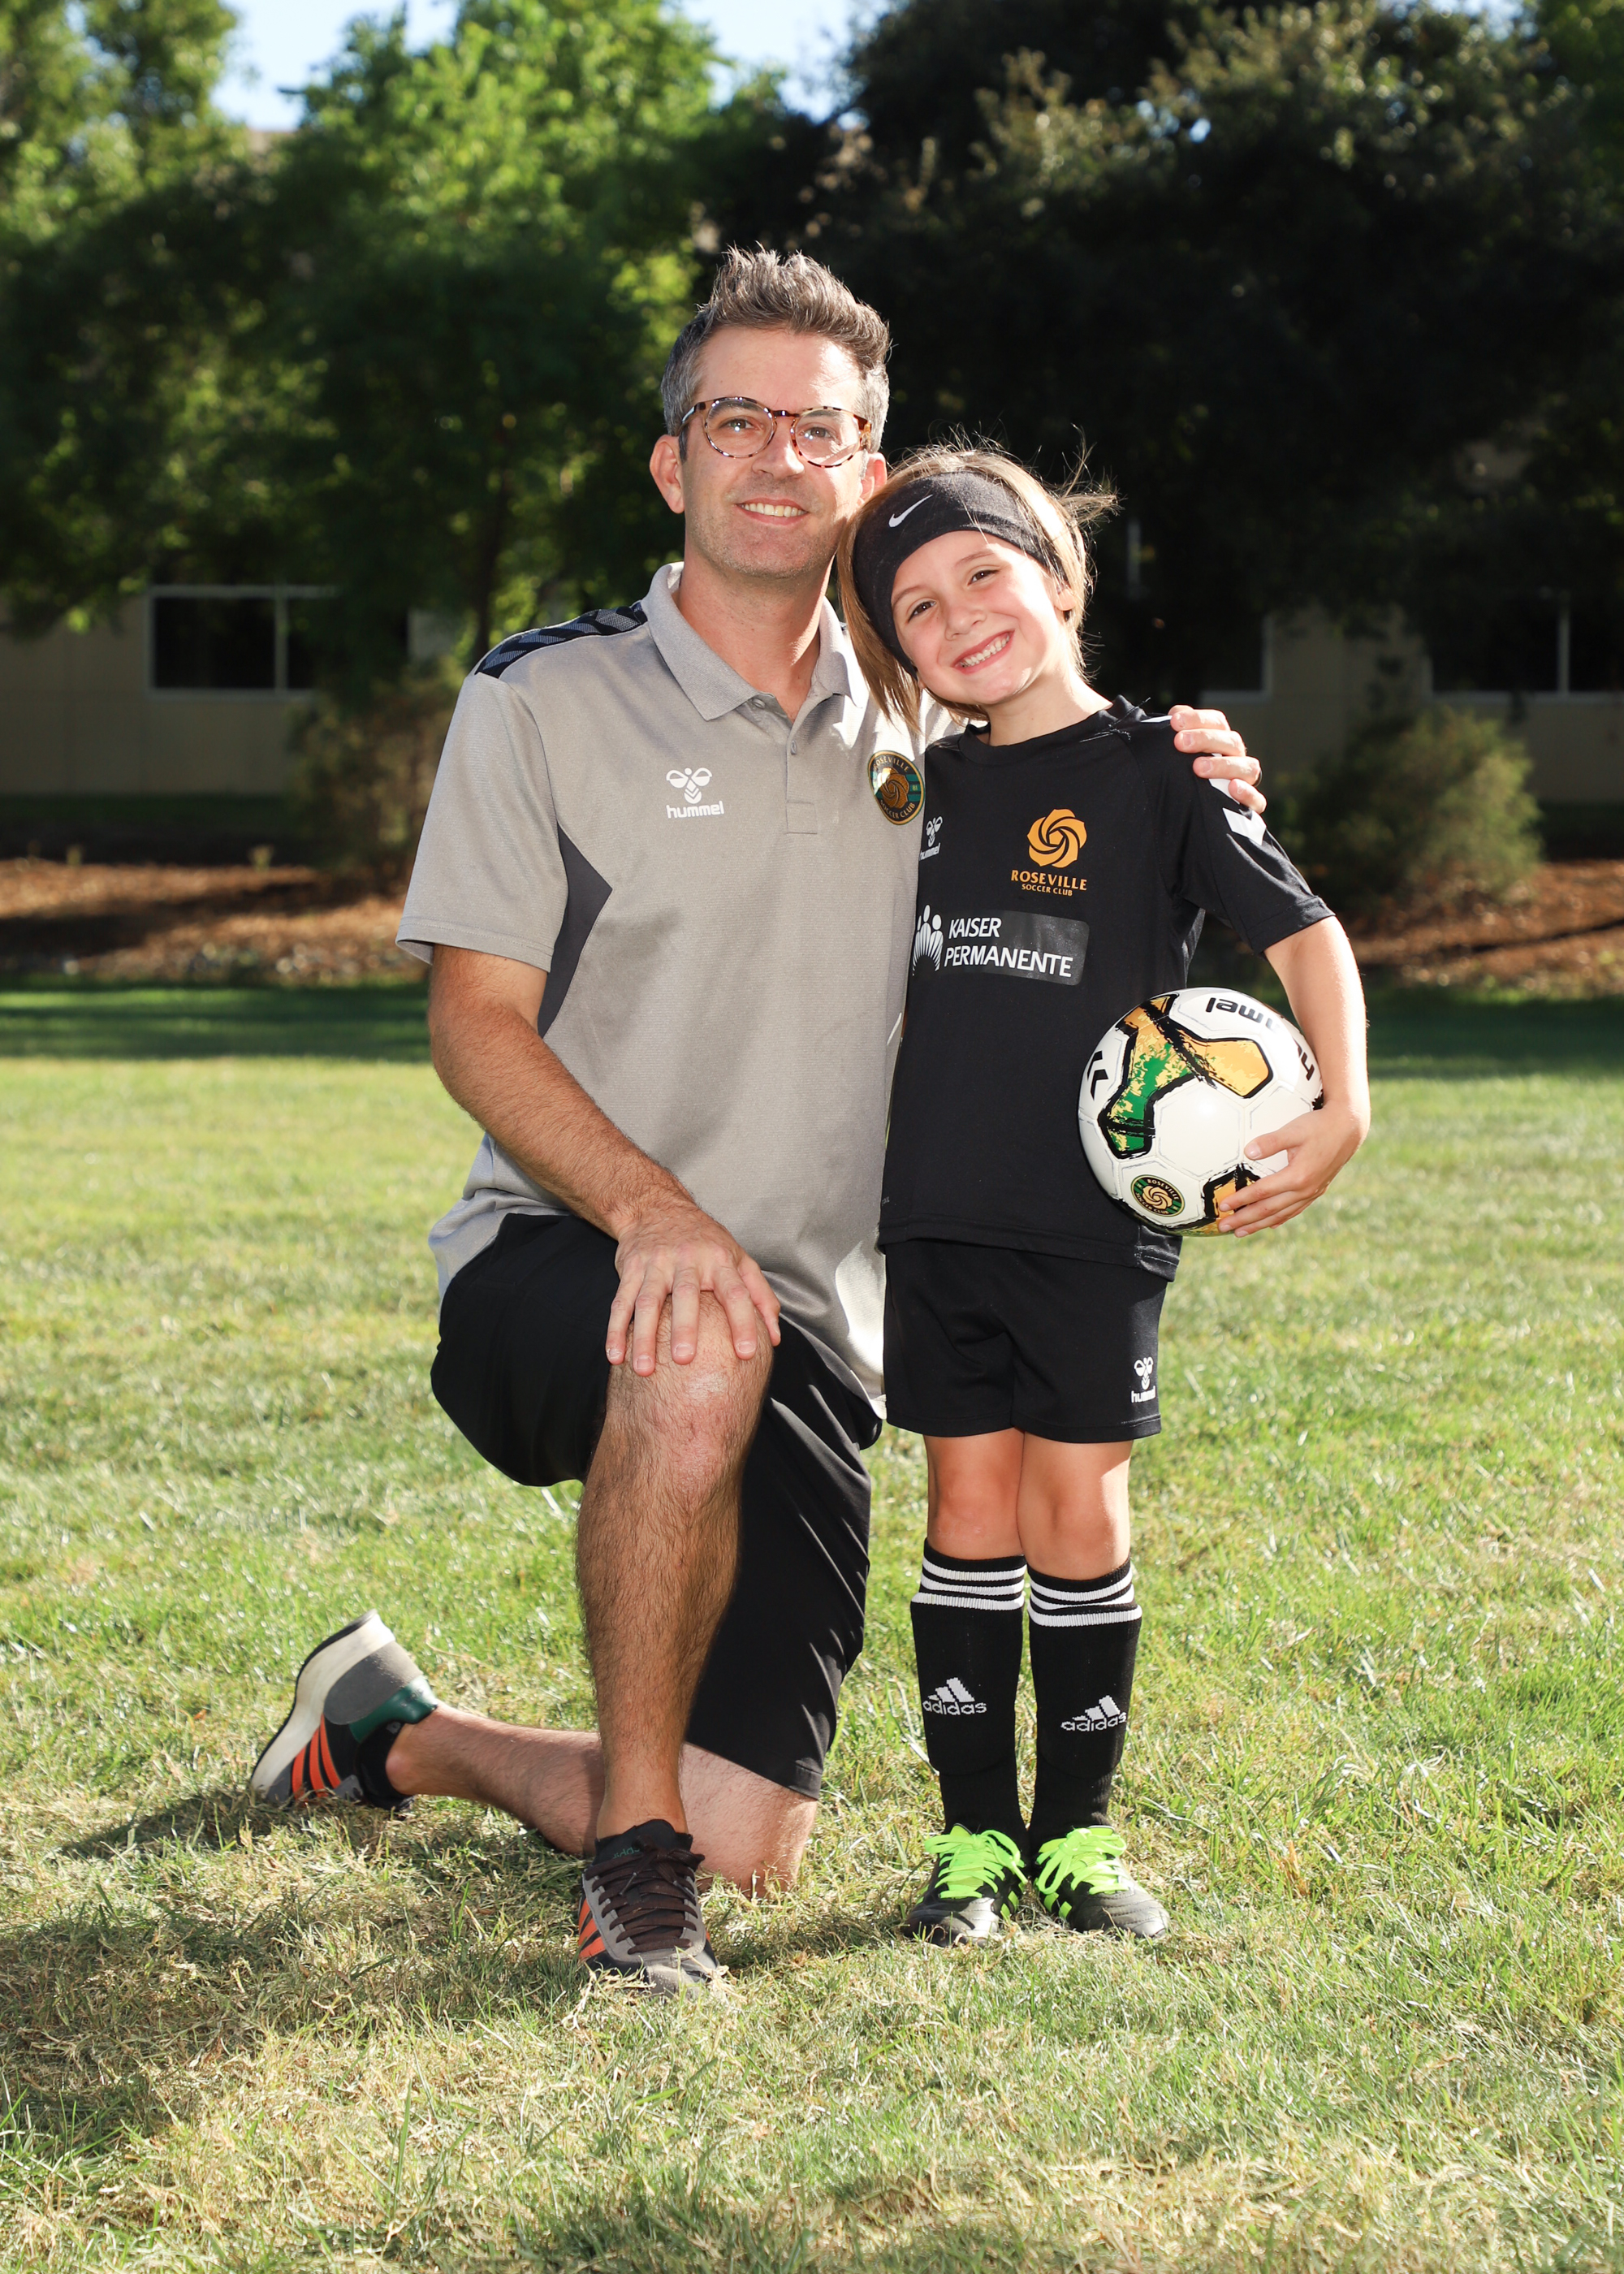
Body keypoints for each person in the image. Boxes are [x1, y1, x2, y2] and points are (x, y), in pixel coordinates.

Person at [250, 252, 1266, 1996]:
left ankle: (392, 1728)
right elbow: (473, 1020)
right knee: (698, 1329)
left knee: (754, 1831)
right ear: (673, 463)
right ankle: (634, 1879)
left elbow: (1088, 790)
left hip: (814, 1327)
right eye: (738, 421)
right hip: (561, 1256)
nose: (780, 456)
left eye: (824, 429)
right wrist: (655, 1213)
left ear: (871, 472)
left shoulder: (935, 709)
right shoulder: (541, 698)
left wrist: (1192, 763)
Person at [838, 443, 1370, 1947]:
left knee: (1077, 1505)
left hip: (1094, 1224)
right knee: (965, 1507)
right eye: (918, 608)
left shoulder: (1163, 775)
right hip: (937, 1211)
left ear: (1060, 579)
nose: (960, 618)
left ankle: (1075, 1837)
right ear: (900, 652)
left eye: (984, 574)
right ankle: (971, 1845)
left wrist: (1344, 1104)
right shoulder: (907, 789)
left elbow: (1307, 934)